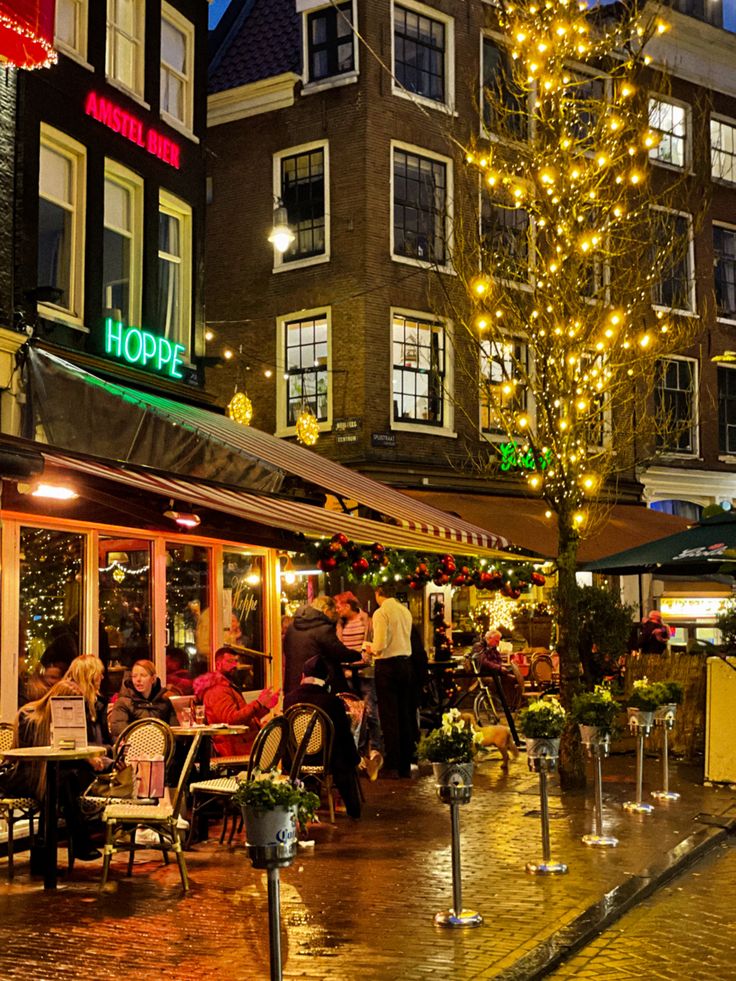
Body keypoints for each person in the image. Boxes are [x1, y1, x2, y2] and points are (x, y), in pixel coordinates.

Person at [14, 654, 111, 861]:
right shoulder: (29, 718)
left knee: (59, 782)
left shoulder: (56, 721)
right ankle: (78, 842)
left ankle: (43, 856)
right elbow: (28, 758)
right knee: (60, 782)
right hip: (24, 776)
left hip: (50, 775)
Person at [284, 656, 362, 818]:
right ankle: (353, 809)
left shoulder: (289, 699)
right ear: (326, 679)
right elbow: (344, 736)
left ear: (303, 676)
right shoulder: (332, 702)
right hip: (326, 760)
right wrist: (355, 759)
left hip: (296, 760)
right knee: (343, 751)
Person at [366, 583, 415, 779]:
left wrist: (369, 648)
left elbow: (379, 645)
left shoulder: (381, 613)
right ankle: (406, 761)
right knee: (404, 713)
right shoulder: (405, 611)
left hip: (387, 666)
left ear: (379, 593)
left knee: (389, 714)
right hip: (406, 664)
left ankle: (393, 760)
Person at [193, 647, 280, 756]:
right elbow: (231, 720)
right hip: (235, 747)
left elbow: (245, 719)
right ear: (218, 664)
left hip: (245, 743)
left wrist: (265, 707)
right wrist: (258, 703)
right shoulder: (217, 690)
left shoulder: (227, 686)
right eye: (230, 661)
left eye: (236, 661)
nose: (235, 665)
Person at [335, 592, 384, 781]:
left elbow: (373, 642)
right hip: (347, 673)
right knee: (353, 715)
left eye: (340, 606)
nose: (338, 610)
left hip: (365, 672)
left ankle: (375, 750)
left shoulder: (367, 621)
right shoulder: (340, 625)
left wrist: (367, 657)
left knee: (370, 711)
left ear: (349, 605)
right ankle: (357, 754)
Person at [283, 596, 361, 694]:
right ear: (326, 610)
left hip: (294, 685)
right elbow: (338, 652)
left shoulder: (292, 627)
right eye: (333, 612)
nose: (334, 616)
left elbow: (286, 650)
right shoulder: (323, 628)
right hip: (319, 686)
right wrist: (359, 654)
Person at [109, 659, 177, 740]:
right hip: (134, 748)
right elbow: (119, 729)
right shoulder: (123, 702)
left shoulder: (164, 701)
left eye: (143, 675)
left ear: (153, 679)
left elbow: (174, 729)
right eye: (134, 676)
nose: (138, 680)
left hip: (162, 748)